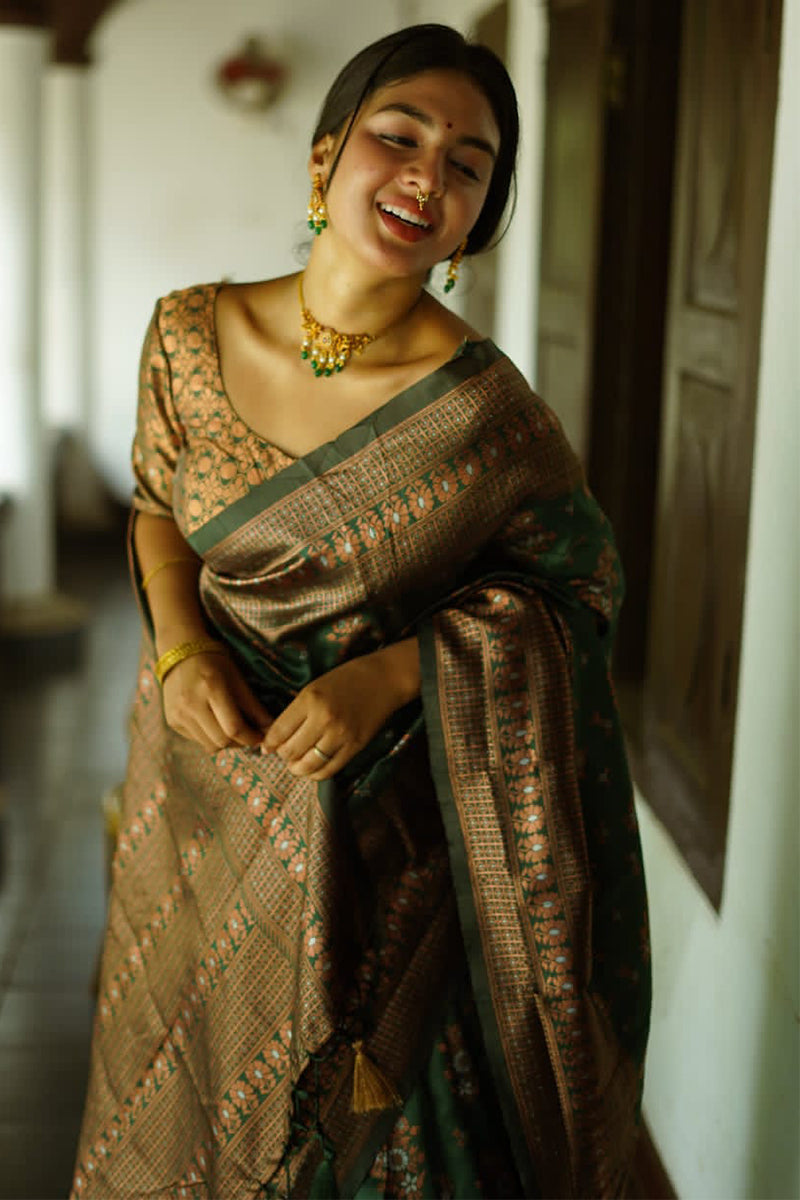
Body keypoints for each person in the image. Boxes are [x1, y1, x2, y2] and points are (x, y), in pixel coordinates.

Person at [72, 23, 650, 1200]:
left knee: (368, 1142)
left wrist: (391, 675)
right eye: (399, 137)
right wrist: (182, 654)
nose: (426, 176)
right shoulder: (187, 332)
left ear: (478, 221)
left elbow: (575, 589)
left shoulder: (486, 417)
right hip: (194, 804)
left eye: (469, 164)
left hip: (377, 847)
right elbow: (152, 509)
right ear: (325, 157)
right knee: (180, 1090)